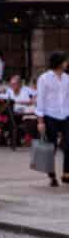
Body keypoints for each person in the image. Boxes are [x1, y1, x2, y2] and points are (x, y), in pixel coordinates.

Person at [35, 51, 69, 187]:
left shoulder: (67, 78)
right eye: (65, 61)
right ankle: (51, 174)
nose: (67, 63)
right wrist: (40, 121)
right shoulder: (44, 79)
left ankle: (67, 173)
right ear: (59, 62)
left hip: (66, 114)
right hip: (50, 115)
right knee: (51, 146)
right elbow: (40, 100)